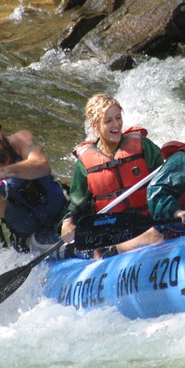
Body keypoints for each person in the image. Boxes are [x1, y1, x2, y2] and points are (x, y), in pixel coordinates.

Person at [0, 110, 68, 292]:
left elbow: (42, 166)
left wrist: (6, 171)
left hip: (66, 213)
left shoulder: (21, 141)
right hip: (35, 238)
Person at [60, 93, 164, 259]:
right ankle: (108, 253)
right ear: (95, 125)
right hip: (111, 233)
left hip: (146, 222)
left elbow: (165, 176)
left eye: (118, 118)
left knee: (153, 233)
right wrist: (67, 222)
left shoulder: (143, 146)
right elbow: (77, 203)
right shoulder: (85, 162)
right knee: (152, 237)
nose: (116, 125)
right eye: (108, 121)